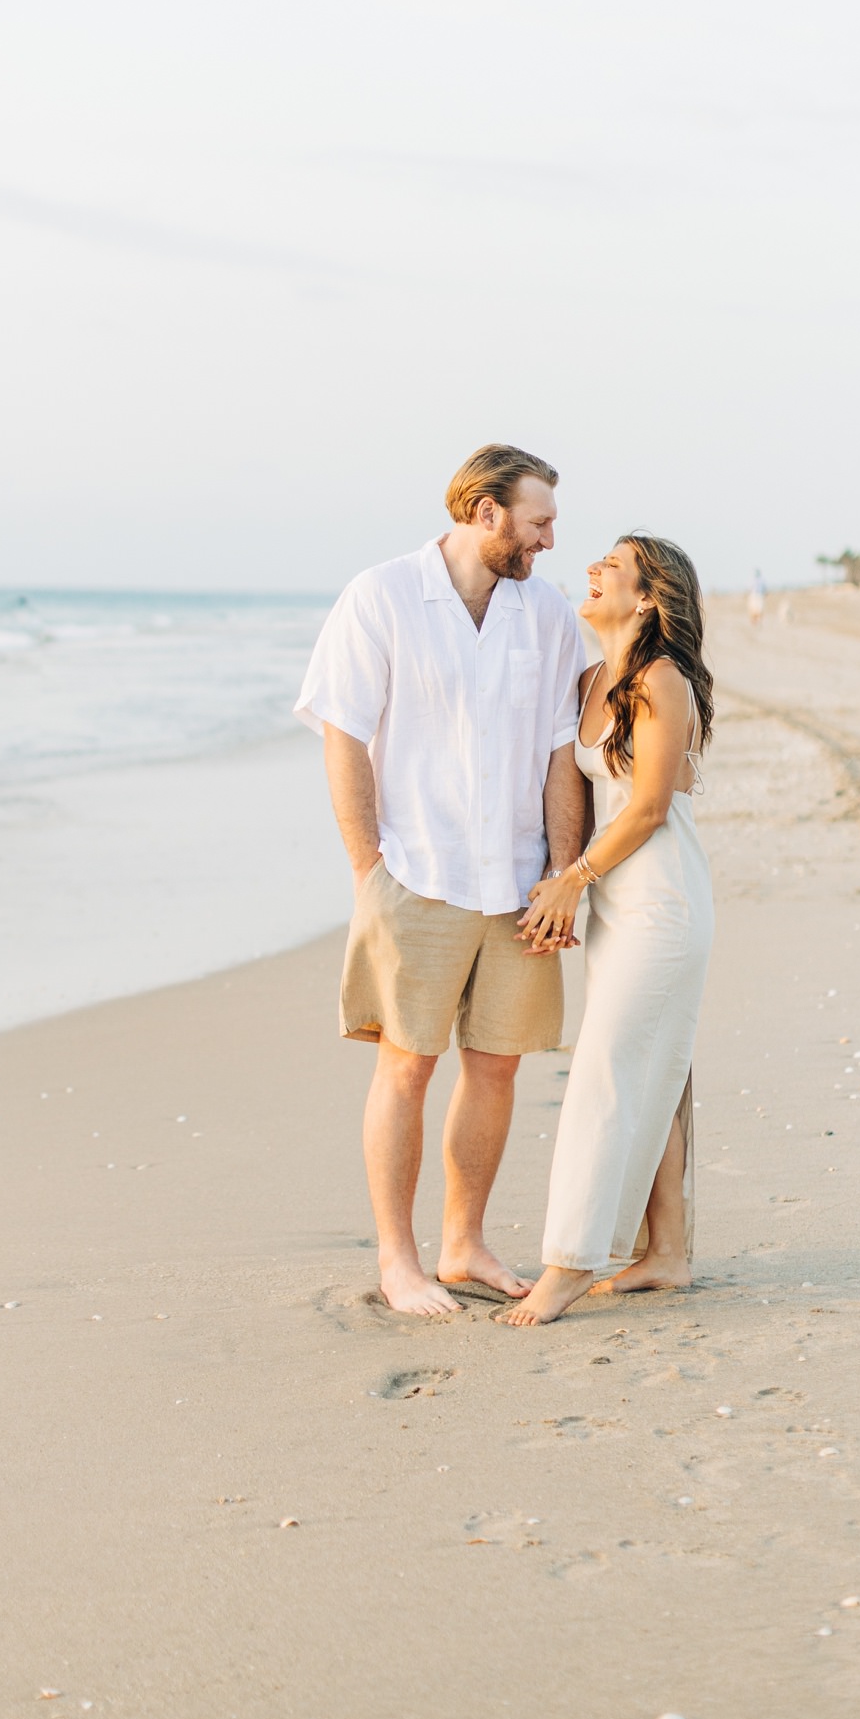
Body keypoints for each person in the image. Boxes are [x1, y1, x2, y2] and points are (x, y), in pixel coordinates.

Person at [295, 444, 588, 1317]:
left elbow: (560, 752)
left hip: (518, 881)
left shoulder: (548, 613)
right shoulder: (381, 596)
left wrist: (562, 873)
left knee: (496, 1069)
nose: (547, 541)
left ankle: (463, 1243)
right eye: (538, 522)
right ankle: (398, 1260)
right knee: (406, 1068)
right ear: (484, 510)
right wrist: (367, 871)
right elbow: (342, 735)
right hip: (415, 875)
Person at [502, 534, 715, 1327]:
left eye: (612, 567)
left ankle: (568, 1261)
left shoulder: (662, 680)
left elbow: (651, 808)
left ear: (650, 598)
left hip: (663, 904)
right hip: (616, 909)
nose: (591, 571)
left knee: (604, 1073)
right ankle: (666, 1253)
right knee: (654, 1070)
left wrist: (572, 880)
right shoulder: (595, 680)